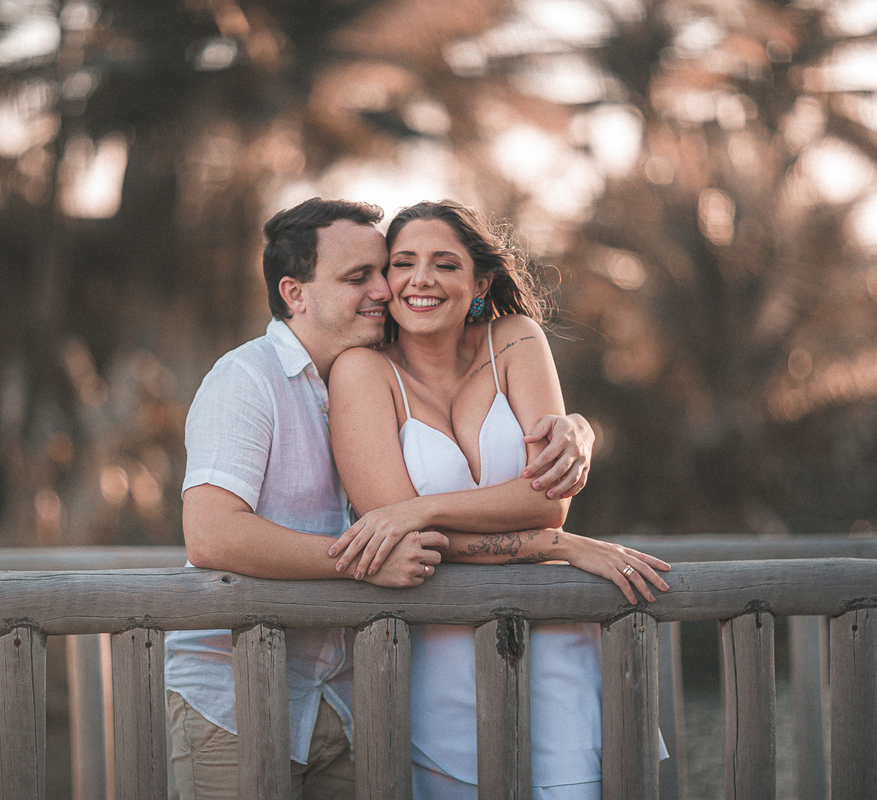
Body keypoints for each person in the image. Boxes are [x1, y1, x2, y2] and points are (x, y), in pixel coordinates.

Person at [165, 197, 600, 799]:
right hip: (235, 692)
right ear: (295, 293)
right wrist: (371, 560)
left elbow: (491, 501)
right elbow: (212, 535)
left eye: (380, 271)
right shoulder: (246, 380)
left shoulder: (355, 370)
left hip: (341, 694)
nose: (384, 289)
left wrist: (576, 428)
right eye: (359, 277)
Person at [328, 200, 671, 799]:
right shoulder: (362, 371)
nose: (421, 279)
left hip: (554, 636)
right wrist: (552, 545)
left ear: (481, 282)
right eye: (403, 262)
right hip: (436, 653)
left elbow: (546, 500)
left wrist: (421, 507)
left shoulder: (515, 341)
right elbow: (404, 542)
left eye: (445, 263)